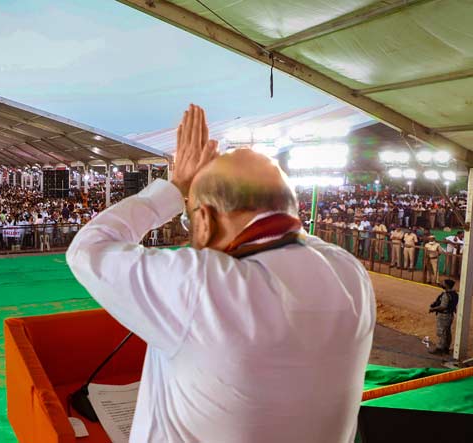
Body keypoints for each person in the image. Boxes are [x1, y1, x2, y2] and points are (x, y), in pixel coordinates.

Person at [66, 105, 375, 443]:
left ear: (204, 221)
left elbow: (88, 249)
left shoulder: (204, 284)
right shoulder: (349, 274)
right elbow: (286, 231)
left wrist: (175, 187)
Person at [428, 279, 459, 355]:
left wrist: (433, 309)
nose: (442, 284)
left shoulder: (446, 295)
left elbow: (443, 307)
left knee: (441, 332)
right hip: (450, 315)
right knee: (447, 332)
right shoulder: (454, 294)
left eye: (443, 283)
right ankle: (446, 348)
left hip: (444, 315)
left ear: (447, 285)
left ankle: (439, 349)